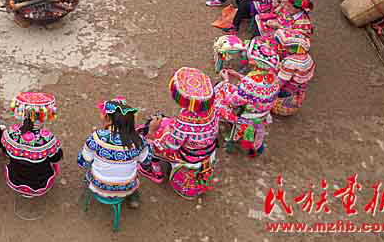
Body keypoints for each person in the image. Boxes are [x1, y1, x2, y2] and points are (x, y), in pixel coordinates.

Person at [140, 67, 218, 200]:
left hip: (189, 156)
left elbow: (170, 146)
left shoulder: (184, 123)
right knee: (166, 124)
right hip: (206, 149)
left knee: (150, 145)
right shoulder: (213, 110)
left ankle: (155, 171)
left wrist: (152, 133)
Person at [78, 98, 151, 208]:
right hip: (126, 187)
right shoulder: (139, 141)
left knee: (91, 160)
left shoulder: (97, 137)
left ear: (108, 118)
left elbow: (83, 161)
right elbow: (146, 162)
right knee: (133, 170)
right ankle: (132, 196)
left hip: (99, 185)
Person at [214, 37, 280, 156]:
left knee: (218, 95)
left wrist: (226, 81)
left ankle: (224, 133)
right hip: (263, 114)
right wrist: (238, 75)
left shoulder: (249, 83)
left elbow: (232, 101)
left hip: (245, 116)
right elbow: (256, 87)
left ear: (253, 62)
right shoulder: (274, 78)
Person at [1, 92, 63, 196]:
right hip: (40, 183)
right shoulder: (48, 139)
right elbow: (56, 158)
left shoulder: (10, 133)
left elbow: (6, 152)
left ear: (23, 115)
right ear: (43, 118)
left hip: (15, 178)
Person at [271, 29, 316, 116]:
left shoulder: (291, 62)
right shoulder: (307, 58)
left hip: (288, 88)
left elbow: (282, 80)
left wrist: (271, 88)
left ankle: (275, 107)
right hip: (298, 87)